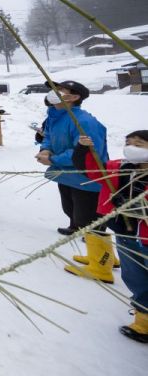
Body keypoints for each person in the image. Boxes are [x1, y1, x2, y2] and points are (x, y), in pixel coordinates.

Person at [75, 130, 148, 342]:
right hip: (127, 235)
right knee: (135, 277)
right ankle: (144, 320)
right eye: (128, 142)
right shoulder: (119, 168)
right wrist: (83, 149)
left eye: (139, 144)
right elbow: (92, 171)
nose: (131, 147)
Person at [36, 80, 107, 236]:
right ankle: (75, 226)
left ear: (74, 97)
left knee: (89, 216)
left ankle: (100, 251)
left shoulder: (84, 121)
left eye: (61, 89)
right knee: (69, 206)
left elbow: (86, 151)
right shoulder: (54, 117)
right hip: (65, 173)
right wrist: (46, 150)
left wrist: (54, 159)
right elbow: (47, 135)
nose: (55, 92)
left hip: (85, 176)